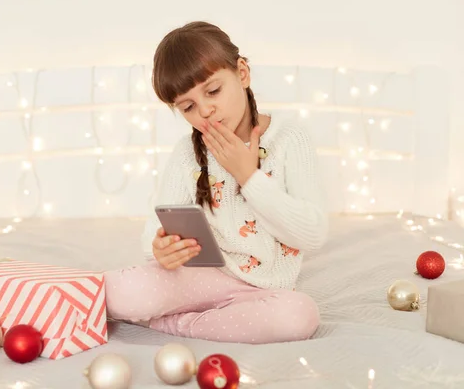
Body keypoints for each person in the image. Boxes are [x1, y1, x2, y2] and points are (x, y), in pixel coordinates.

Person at [104, 21, 328, 344]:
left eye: (213, 91)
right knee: (120, 292)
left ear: (242, 73)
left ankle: (175, 325)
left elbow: (313, 233)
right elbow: (154, 230)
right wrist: (160, 249)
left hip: (267, 292)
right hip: (202, 278)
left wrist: (248, 177)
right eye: (189, 106)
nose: (206, 110)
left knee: (301, 316)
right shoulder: (187, 155)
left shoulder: (289, 140)